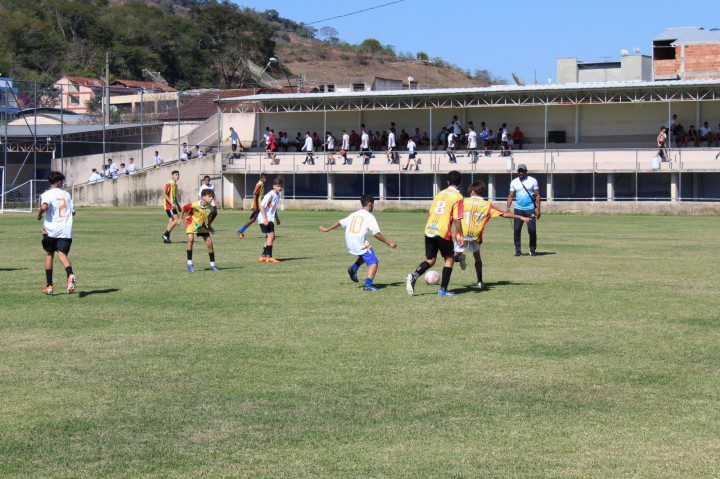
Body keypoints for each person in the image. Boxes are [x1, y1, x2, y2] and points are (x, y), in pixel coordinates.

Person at [453, 181, 532, 288]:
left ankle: (459, 258)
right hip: (475, 235)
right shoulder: (487, 205)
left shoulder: (463, 201)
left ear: (472, 191)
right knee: (477, 257)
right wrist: (520, 217)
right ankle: (480, 282)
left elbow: (455, 215)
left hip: (462, 234)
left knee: (453, 257)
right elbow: (504, 214)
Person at [317, 194, 397, 291]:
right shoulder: (369, 216)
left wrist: (326, 229)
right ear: (370, 204)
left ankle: (353, 268)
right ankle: (368, 285)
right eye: (373, 205)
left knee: (364, 255)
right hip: (359, 242)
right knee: (374, 262)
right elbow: (375, 234)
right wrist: (389, 243)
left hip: (349, 242)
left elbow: (339, 222)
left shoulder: (354, 214)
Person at [406, 170, 465, 297]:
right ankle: (443, 290)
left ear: (448, 182)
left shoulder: (440, 194)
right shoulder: (459, 197)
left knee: (431, 260)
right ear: (459, 183)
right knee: (449, 259)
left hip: (430, 229)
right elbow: (457, 218)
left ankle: (414, 276)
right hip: (443, 231)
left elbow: (430, 212)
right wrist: (461, 234)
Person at [38, 171, 77, 295]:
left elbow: (44, 207)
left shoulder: (47, 194)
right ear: (59, 182)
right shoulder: (66, 194)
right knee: (62, 255)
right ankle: (70, 274)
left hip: (50, 230)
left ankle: (49, 286)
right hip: (65, 230)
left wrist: (39, 215)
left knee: (49, 254)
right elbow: (73, 212)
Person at [506, 164, 540, 256]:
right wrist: (508, 207)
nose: (521, 173)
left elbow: (537, 195)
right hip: (518, 209)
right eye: (519, 171)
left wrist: (537, 209)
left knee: (532, 230)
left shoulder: (533, 181)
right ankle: (518, 251)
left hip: (530, 209)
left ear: (526, 171)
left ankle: (532, 250)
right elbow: (511, 195)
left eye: (523, 171)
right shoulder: (514, 182)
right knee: (516, 230)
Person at [181, 189, 218, 272]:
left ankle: (212, 265)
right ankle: (190, 264)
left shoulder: (210, 208)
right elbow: (183, 208)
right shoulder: (194, 205)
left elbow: (209, 216)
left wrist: (209, 226)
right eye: (209, 196)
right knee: (191, 239)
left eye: (212, 196)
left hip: (201, 225)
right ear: (203, 197)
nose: (211, 198)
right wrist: (180, 219)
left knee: (209, 242)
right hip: (191, 223)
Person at [258, 178, 283, 263]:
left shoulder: (278, 195)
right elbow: (261, 206)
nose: (280, 188)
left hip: (269, 218)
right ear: (274, 186)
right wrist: (265, 219)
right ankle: (270, 257)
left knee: (272, 237)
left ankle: (263, 256)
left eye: (281, 186)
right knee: (271, 236)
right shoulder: (270, 194)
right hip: (264, 218)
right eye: (278, 186)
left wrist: (277, 218)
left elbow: (274, 208)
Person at [237, 173, 266, 239]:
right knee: (256, 219)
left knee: (256, 219)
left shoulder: (262, 184)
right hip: (257, 205)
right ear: (261, 178)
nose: (265, 179)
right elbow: (255, 194)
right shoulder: (259, 184)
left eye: (265, 178)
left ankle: (240, 231)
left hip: (260, 205)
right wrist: (255, 205)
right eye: (264, 178)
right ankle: (240, 231)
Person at [162, 170, 181, 244]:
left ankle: (166, 238)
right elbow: (165, 194)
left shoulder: (175, 185)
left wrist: (178, 206)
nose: (178, 176)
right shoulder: (168, 184)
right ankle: (165, 234)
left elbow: (174, 197)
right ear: (172, 175)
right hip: (169, 206)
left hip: (173, 206)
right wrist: (171, 203)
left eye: (178, 175)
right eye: (176, 175)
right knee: (176, 220)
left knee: (171, 221)